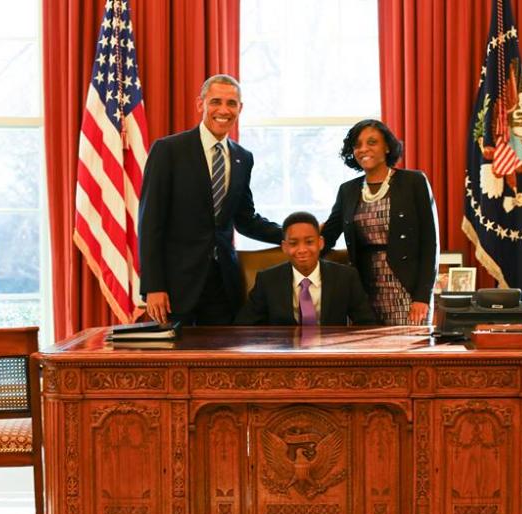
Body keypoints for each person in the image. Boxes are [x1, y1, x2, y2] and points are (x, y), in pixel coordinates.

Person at [138, 74, 283, 325]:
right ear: (200, 104)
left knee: (220, 361)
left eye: (231, 103)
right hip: (175, 287)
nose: (223, 110)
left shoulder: (243, 158)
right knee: (178, 363)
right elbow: (150, 223)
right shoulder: (168, 150)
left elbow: (246, 220)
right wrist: (153, 286)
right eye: (216, 101)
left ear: (240, 108)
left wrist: (290, 234)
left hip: (223, 286)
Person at [321, 119, 439, 325]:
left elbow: (430, 244)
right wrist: (293, 242)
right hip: (362, 290)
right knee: (365, 352)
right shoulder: (347, 190)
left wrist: (422, 296)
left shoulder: (414, 182)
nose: (363, 149)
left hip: (406, 290)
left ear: (387, 147)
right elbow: (328, 236)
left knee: (406, 352)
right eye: (357, 145)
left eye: (372, 142)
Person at [235, 211, 377, 326]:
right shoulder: (267, 280)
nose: (302, 250)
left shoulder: (346, 277)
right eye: (294, 243)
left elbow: (366, 323)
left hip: (331, 356)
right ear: (284, 247)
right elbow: (244, 326)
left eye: (309, 242)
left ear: (320, 243)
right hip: (284, 356)